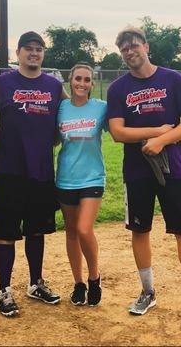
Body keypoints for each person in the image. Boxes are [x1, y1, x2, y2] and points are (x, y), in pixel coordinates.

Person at [106, 26, 181, 325]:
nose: (130, 51)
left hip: (173, 168)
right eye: (124, 48)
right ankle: (148, 292)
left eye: (134, 45)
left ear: (146, 46)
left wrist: (163, 141)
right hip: (137, 172)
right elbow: (117, 132)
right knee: (140, 231)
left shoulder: (172, 79)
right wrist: (156, 132)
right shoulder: (118, 89)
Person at [0, 31, 68, 317]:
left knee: (36, 229)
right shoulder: (3, 82)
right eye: (28, 48)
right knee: (6, 232)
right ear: (18, 53)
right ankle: (4, 289)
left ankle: (35, 283)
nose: (34, 53)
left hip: (41, 169)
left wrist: (54, 137)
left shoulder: (54, 86)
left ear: (44, 54)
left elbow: (70, 112)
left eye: (39, 49)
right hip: (10, 168)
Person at [56, 63, 107, 307]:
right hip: (66, 177)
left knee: (84, 229)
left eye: (87, 80)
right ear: (70, 80)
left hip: (93, 177)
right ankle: (78, 283)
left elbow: (120, 128)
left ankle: (94, 277)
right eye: (78, 78)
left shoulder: (101, 108)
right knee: (72, 232)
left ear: (92, 84)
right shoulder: (61, 108)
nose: (82, 84)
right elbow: (50, 138)